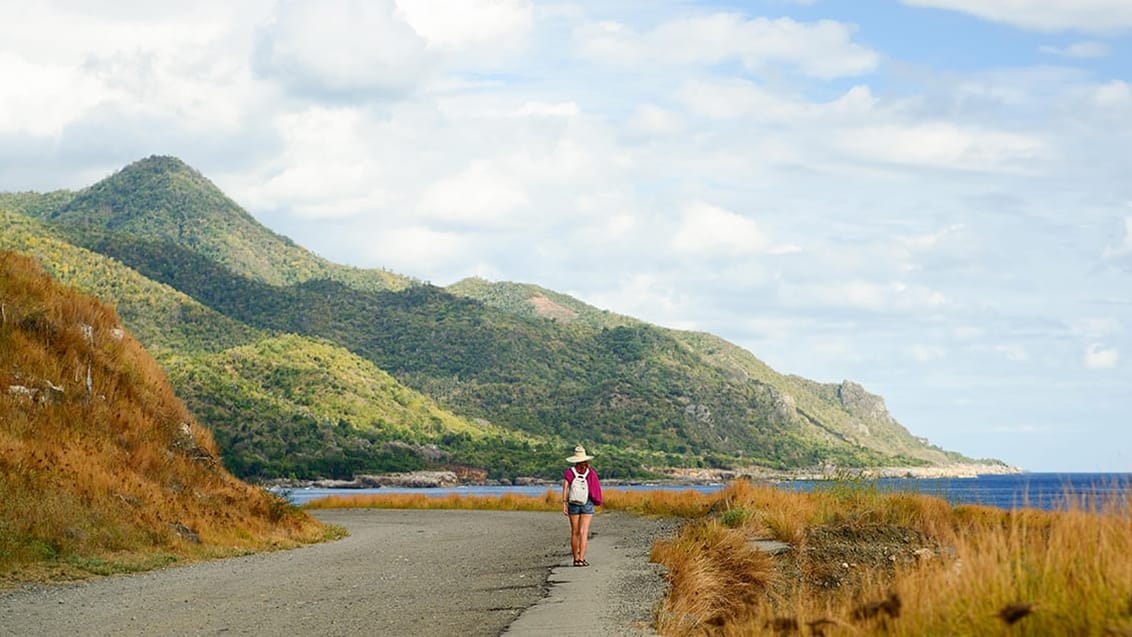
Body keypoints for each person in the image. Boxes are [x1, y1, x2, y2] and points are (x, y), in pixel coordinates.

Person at [562, 444, 603, 567]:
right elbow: (595, 489)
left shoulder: (569, 472)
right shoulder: (591, 473)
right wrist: (597, 501)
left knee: (574, 532)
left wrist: (564, 503)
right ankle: (581, 559)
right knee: (584, 532)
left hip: (573, 503)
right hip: (587, 503)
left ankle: (575, 559)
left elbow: (565, 488)